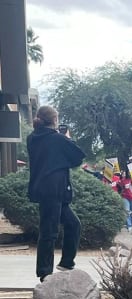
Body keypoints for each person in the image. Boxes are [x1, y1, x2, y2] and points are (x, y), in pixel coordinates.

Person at [26, 105, 86, 282]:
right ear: (54, 120)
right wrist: (67, 138)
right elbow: (77, 157)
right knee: (49, 231)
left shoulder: (32, 138)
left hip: (46, 189)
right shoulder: (57, 139)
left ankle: (66, 262)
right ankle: (45, 273)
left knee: (73, 224)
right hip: (54, 189)